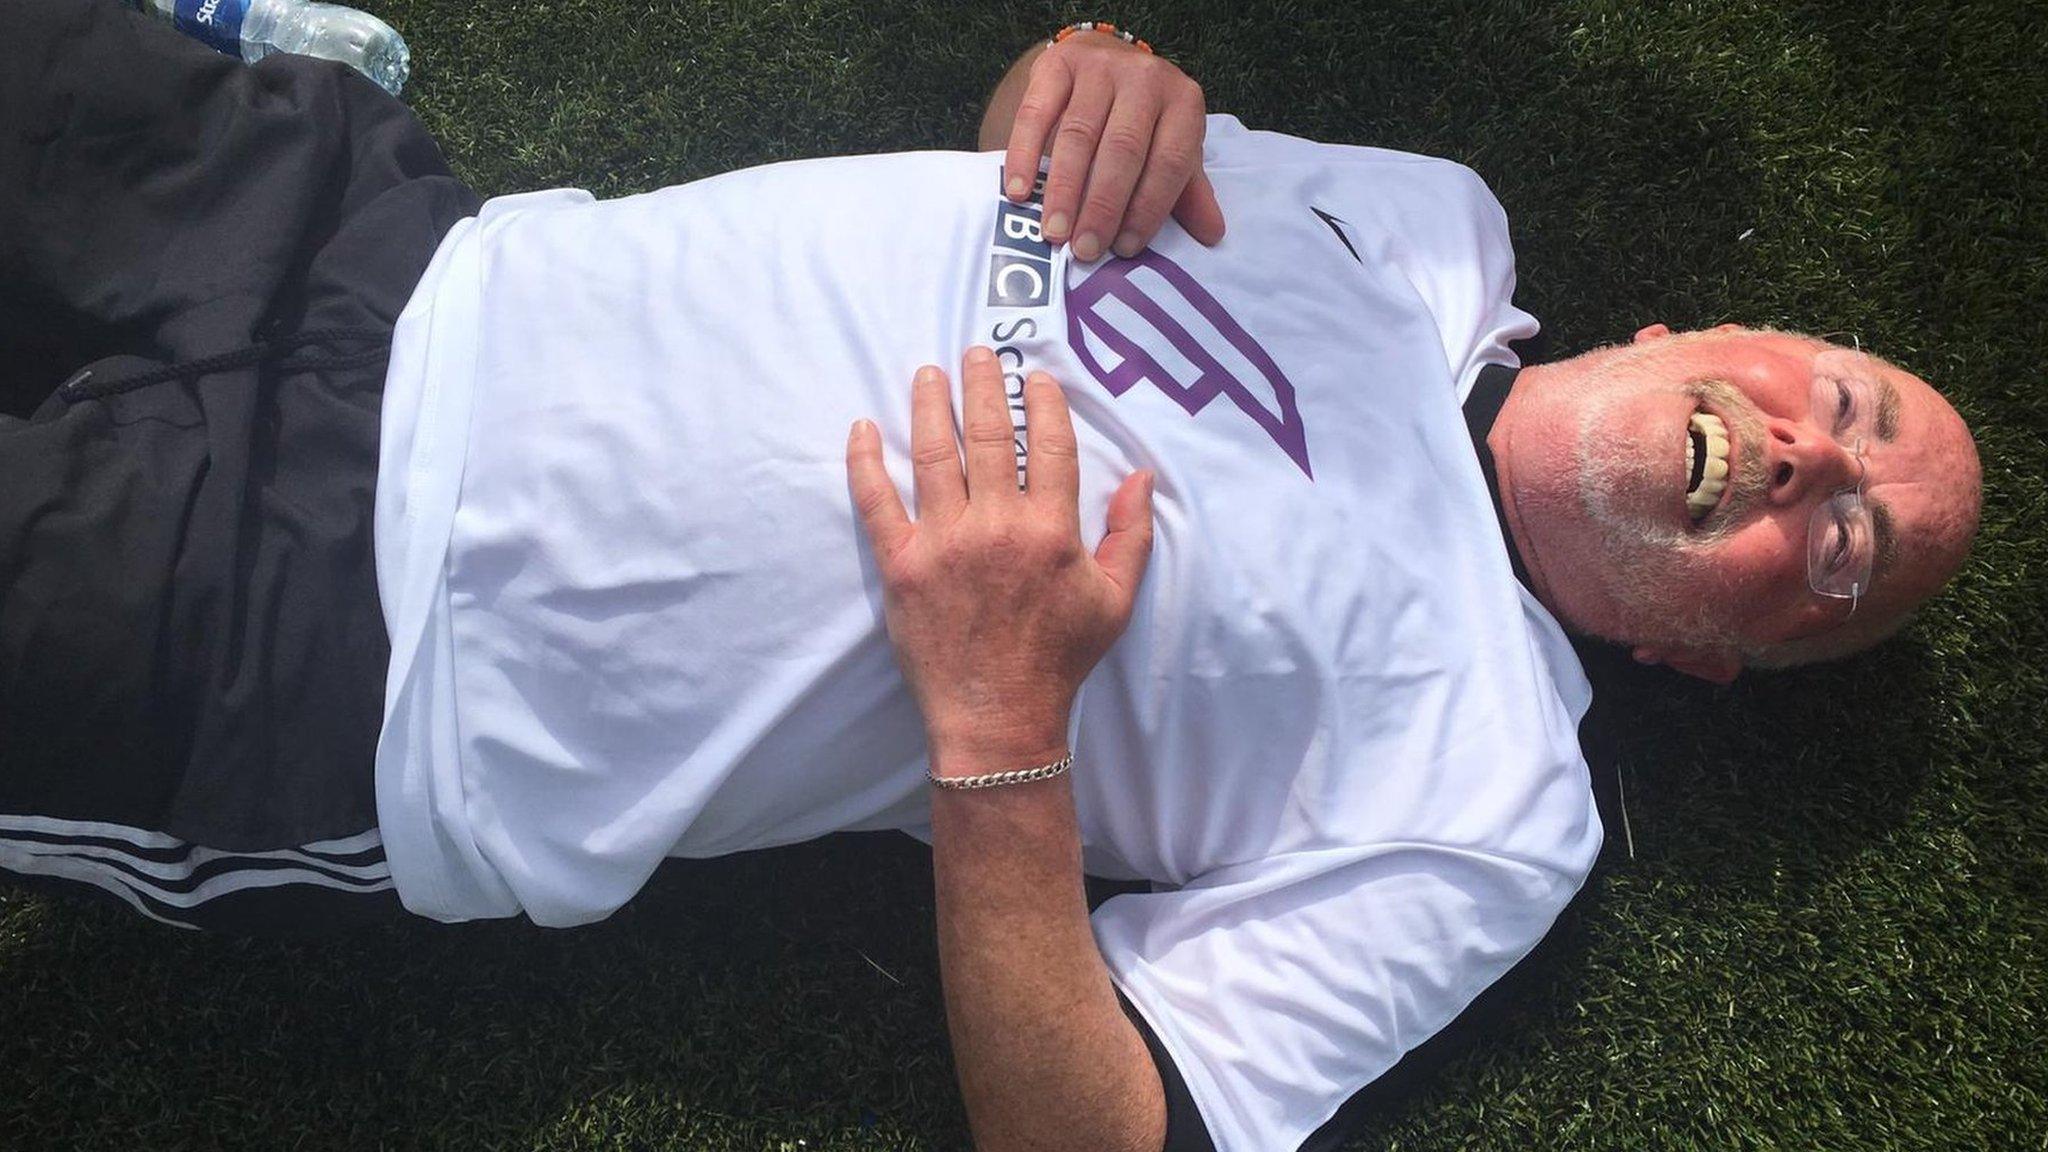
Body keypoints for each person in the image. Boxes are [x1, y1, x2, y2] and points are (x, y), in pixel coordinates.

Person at [0, 5, 1981, 1151]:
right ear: (1692, 331)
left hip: (346, 651)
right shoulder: (1426, 230)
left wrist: (996, 716)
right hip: (392, 242)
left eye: (1844, 549)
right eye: (1847, 400)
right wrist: (1100, 72)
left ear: (1705, 659)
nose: (1818, 459)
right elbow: (1059, 174)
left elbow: (1095, 1134)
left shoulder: (1494, 809)